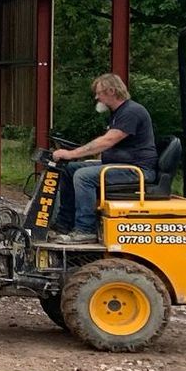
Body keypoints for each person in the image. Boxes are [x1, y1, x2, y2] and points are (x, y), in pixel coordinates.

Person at [51, 72, 158, 243]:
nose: (96, 97)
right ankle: (64, 224)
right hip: (122, 165)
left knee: (83, 176)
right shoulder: (119, 113)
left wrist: (71, 154)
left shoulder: (132, 112)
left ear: (111, 91)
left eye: (99, 93)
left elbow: (107, 141)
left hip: (137, 170)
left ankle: (85, 230)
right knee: (70, 169)